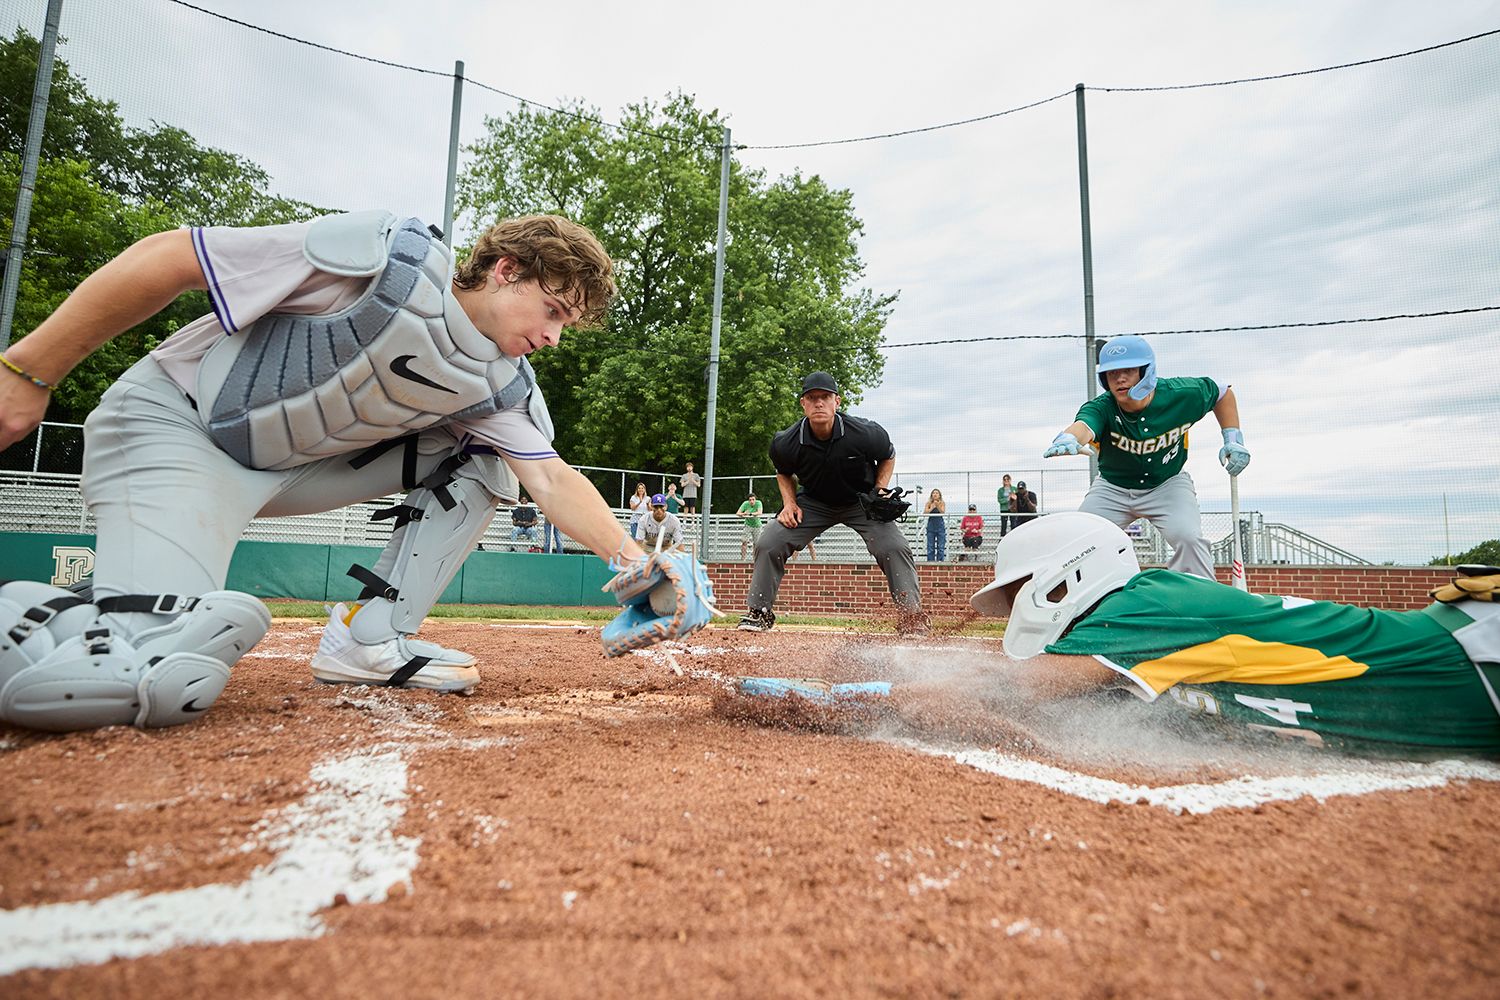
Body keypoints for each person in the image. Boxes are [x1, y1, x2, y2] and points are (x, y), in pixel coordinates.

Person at [0, 210, 697, 732]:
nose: (552, 336)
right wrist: (30, 370)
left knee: (488, 459)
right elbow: (173, 255)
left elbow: (552, 480)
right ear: (505, 269)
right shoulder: (381, 262)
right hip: (177, 430)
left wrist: (636, 563)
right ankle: (77, 607)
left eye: (566, 324)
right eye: (553, 310)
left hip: (291, 468)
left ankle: (370, 639)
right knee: (149, 674)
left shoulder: (499, 384)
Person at [968, 511, 1500, 756]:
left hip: (1468, 660)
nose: (1014, 610)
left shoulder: (1139, 605)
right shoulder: (1140, 621)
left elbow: (1015, 690)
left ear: (1067, 577)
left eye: (1018, 592)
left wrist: (913, 691)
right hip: (1460, 670)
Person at [1043, 335, 1249, 580]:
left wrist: (1233, 438)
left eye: (1128, 370)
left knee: (1189, 538)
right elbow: (1084, 426)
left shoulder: (1180, 394)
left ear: (1146, 371)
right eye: (1111, 373)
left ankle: (1200, 598)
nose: (1119, 378)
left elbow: (1222, 393)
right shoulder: (1102, 407)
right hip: (1112, 489)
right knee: (1078, 541)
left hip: (1168, 484)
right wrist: (1069, 438)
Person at [740, 371, 923, 634]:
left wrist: (880, 489)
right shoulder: (786, 441)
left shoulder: (864, 432)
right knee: (769, 540)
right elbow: (783, 472)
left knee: (894, 546)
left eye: (825, 397)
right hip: (814, 503)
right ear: (803, 403)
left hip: (861, 502)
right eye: (812, 397)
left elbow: (888, 455)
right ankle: (759, 612)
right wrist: (789, 503)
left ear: (837, 401)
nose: (818, 403)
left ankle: (912, 618)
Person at [737, 490, 764, 560]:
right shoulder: (745, 503)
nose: (752, 501)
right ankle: (743, 559)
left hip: (757, 526)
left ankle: (754, 559)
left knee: (756, 544)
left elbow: (760, 512)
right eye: (750, 500)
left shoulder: (758, 503)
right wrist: (744, 513)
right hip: (748, 525)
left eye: (753, 499)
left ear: (755, 499)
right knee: (744, 541)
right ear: (748, 500)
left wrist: (750, 514)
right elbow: (738, 513)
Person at [923, 488, 947, 562]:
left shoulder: (942, 503)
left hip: (940, 525)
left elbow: (942, 512)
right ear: (931, 495)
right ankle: (930, 561)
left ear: (939, 495)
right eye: (933, 493)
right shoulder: (928, 503)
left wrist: (937, 506)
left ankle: (940, 561)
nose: (935, 494)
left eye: (937, 493)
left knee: (940, 546)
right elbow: (925, 513)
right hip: (931, 526)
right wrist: (932, 507)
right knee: (930, 546)